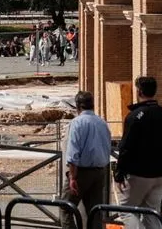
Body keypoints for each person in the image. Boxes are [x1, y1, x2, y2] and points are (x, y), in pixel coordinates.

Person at [114, 76, 162, 229]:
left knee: (125, 210)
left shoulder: (134, 116)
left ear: (139, 91)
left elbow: (126, 147)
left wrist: (119, 173)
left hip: (138, 173)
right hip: (160, 174)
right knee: (152, 212)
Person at [63, 91, 112, 229]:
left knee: (65, 207)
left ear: (78, 106)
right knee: (95, 212)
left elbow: (73, 153)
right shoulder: (102, 123)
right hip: (99, 171)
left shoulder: (77, 123)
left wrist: (73, 177)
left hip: (81, 173)